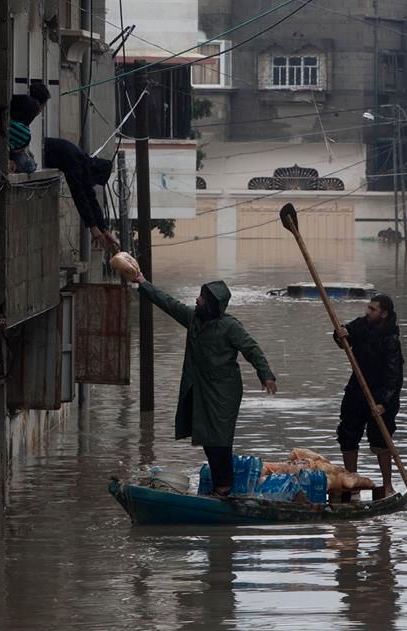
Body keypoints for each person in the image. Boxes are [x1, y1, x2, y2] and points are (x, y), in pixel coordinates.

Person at [133, 273, 277, 497]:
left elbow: (251, 349)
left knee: (220, 438)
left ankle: (224, 487)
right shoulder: (193, 320)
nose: (197, 300)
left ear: (212, 304)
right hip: (201, 388)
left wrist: (265, 374)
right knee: (206, 438)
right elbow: (169, 303)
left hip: (224, 391)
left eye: (202, 297)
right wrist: (142, 282)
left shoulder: (230, 326)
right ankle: (221, 485)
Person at [332, 294, 404, 497]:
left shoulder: (391, 339)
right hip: (357, 389)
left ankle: (387, 487)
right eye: (368, 308)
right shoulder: (362, 325)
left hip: (381, 395)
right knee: (348, 435)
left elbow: (394, 376)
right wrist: (340, 334)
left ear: (384, 313)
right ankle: (351, 484)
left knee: (381, 440)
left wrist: (383, 402)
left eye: (373, 310)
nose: (368, 312)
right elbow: (344, 337)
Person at [44, 136, 121, 252]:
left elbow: (91, 198)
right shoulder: (75, 163)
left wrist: (104, 229)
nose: (93, 184)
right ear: (94, 174)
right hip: (40, 151)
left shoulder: (84, 163)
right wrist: (93, 227)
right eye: (95, 181)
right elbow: (79, 195)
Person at [7, 82, 51, 174]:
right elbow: (15, 150)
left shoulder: (11, 116)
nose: (40, 112)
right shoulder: (23, 132)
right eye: (42, 107)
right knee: (30, 165)